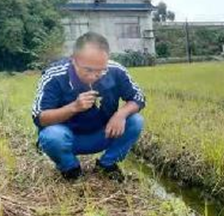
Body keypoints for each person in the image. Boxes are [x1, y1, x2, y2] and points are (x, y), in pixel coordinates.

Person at [32, 32, 145, 181]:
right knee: (51, 135)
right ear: (73, 60)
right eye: (88, 70)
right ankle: (70, 168)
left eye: (100, 70)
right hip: (68, 138)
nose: (94, 76)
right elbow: (40, 117)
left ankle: (107, 164)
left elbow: (138, 97)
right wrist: (73, 107)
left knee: (135, 121)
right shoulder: (54, 76)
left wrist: (120, 115)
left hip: (103, 133)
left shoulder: (116, 71)